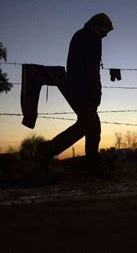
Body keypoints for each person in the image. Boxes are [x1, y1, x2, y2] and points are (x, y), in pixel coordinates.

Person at [38, 13, 113, 174]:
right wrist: (95, 92)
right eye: (104, 31)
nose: (105, 35)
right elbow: (91, 69)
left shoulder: (82, 35)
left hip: (76, 86)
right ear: (96, 26)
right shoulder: (91, 38)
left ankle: (50, 151)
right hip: (83, 89)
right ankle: (48, 151)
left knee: (89, 124)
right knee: (89, 124)